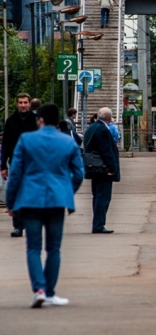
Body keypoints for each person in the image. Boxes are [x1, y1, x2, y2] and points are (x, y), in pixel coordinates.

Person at [5, 104, 84, 308]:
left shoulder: (26, 140)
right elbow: (78, 173)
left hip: (30, 200)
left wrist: (11, 202)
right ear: (58, 121)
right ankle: (50, 293)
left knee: (33, 247)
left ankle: (38, 289)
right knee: (53, 249)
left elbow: (15, 174)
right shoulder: (68, 141)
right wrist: (66, 192)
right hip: (57, 201)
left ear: (39, 119)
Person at [1, 93, 38, 237]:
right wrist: (3, 166)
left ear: (29, 104)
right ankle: (17, 226)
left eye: (25, 102)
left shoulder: (35, 121)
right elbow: (5, 145)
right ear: (17, 104)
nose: (23, 105)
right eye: (20, 102)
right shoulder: (11, 121)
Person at [83, 107, 120, 234]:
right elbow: (106, 151)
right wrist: (112, 168)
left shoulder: (91, 127)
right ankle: (98, 225)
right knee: (103, 198)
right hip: (103, 169)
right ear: (110, 118)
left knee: (97, 196)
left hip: (94, 168)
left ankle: (97, 224)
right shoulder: (103, 130)